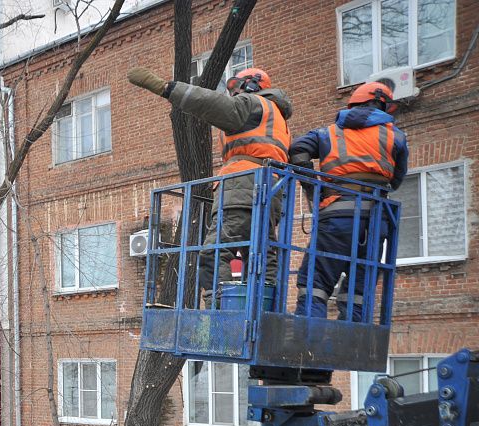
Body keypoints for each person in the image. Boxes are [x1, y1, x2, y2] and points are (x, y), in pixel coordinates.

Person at [127, 66, 293, 296]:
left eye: (236, 86)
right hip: (269, 191)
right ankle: (261, 309)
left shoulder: (252, 104)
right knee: (257, 255)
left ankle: (220, 316)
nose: (233, 93)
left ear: (252, 85)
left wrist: (168, 89)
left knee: (216, 254)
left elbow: (211, 103)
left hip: (242, 189)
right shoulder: (278, 120)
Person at [290, 80, 408, 321]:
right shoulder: (396, 137)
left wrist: (313, 186)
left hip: (337, 217)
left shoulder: (328, 133)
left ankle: (308, 345)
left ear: (353, 103)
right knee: (359, 290)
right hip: (376, 219)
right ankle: (351, 346)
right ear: (383, 107)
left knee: (316, 283)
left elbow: (297, 150)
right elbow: (396, 180)